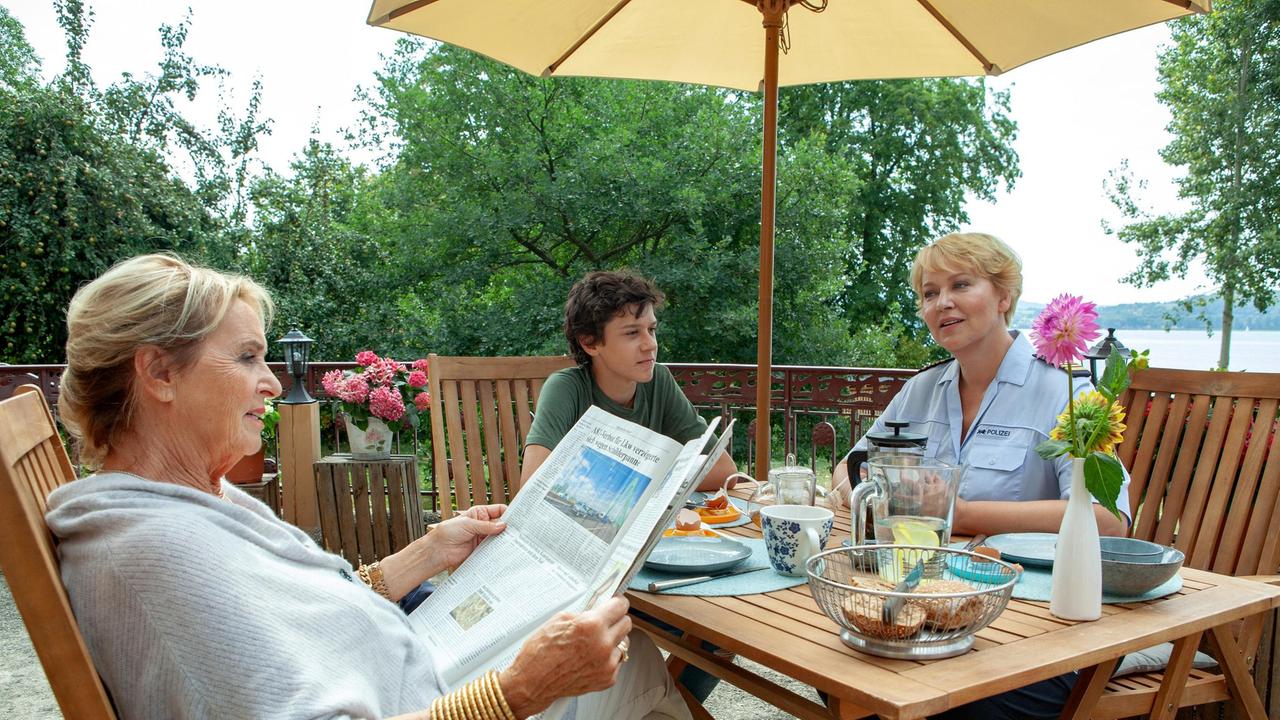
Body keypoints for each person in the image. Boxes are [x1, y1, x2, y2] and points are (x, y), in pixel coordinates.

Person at [45, 254, 691, 720]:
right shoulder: (157, 556)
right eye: (247, 358)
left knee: (623, 656)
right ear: (159, 373)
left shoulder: (182, 497)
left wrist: (429, 552)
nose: (270, 383)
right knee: (633, 664)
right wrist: (518, 691)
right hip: (441, 696)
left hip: (420, 663)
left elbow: (300, 615)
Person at [830, 233, 1131, 720]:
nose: (942, 303)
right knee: (837, 670)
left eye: (961, 284)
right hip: (927, 609)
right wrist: (871, 498)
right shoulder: (922, 389)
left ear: (1004, 296)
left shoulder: (1066, 392)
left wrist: (957, 513)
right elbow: (849, 471)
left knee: (897, 693)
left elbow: (1108, 519)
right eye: (929, 293)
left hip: (1035, 630)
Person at [520, 270, 738, 491]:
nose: (650, 344)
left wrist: (636, 486)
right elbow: (531, 484)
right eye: (632, 333)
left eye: (651, 330)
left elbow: (723, 470)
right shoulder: (566, 389)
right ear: (590, 343)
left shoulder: (658, 381)